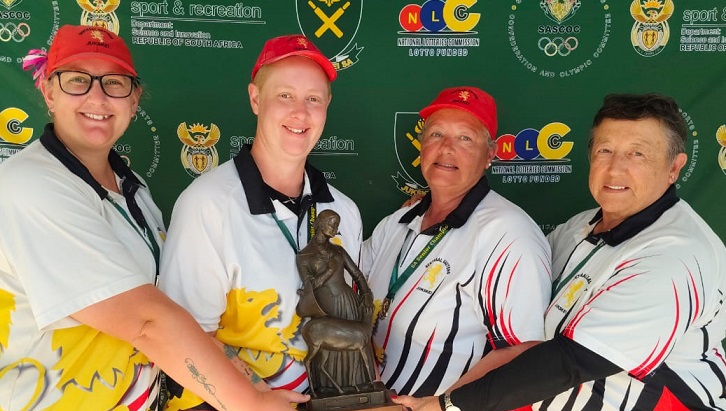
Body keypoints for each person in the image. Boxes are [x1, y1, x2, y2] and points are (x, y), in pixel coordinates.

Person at [0, 25, 306, 411]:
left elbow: (174, 317)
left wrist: (253, 384)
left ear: (134, 100)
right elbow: (147, 323)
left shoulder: (134, 188)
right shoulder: (29, 185)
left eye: (114, 83)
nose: (97, 96)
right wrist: (250, 403)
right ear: (48, 91)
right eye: (77, 80)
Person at [395, 93, 726, 411]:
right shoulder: (578, 227)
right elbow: (517, 293)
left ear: (674, 167)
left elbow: (570, 362)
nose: (615, 169)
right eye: (605, 150)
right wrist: (436, 208)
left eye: (637, 154)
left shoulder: (676, 253)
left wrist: (447, 405)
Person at [158, 34, 362, 409]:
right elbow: (184, 335)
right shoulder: (207, 204)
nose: (300, 112)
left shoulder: (344, 211)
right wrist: (255, 395)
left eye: (313, 99)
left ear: (327, 105)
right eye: (285, 95)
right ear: (255, 99)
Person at [360, 86, 553, 398]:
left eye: (465, 138)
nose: (446, 148)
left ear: (489, 155)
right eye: (436, 134)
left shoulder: (508, 233)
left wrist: (439, 406)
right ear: (422, 146)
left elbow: (522, 349)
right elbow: (347, 286)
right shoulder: (397, 223)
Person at [296, 209, 375, 395]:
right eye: (332, 224)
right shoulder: (304, 256)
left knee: (355, 344)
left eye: (337, 225)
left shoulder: (338, 250)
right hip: (326, 308)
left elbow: (357, 274)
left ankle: (358, 385)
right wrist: (329, 271)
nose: (335, 228)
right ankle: (329, 389)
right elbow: (310, 286)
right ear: (320, 224)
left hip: (348, 302)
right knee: (329, 347)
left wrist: (366, 293)